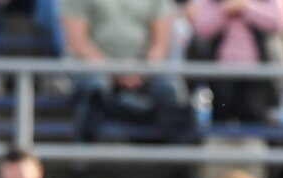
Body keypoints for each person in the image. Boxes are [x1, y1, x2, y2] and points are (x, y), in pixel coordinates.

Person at [60, 0, 189, 141]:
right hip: (93, 70)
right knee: (95, 88)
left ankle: (173, 156)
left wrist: (143, 70)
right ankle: (84, 155)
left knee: (170, 90)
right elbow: (78, 41)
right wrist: (113, 70)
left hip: (144, 72)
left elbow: (161, 43)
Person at [187, 0, 283, 123]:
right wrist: (225, 10)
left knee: (254, 116)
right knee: (220, 116)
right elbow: (201, 27)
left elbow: (281, 22)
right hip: (220, 76)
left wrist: (246, 7)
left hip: (261, 77)